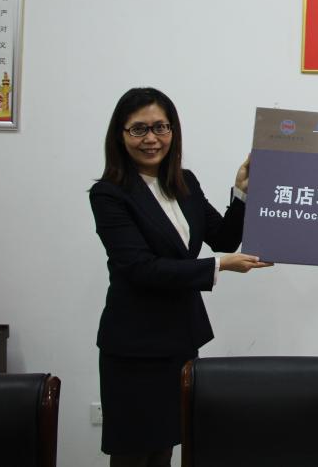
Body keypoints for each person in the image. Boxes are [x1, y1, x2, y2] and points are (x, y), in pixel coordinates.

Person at [89, 87, 272, 467]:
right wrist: (219, 266)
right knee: (133, 452)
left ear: (173, 130)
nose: (151, 138)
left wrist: (242, 193)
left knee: (166, 447)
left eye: (161, 127)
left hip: (178, 338)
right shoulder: (109, 194)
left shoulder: (184, 182)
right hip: (133, 347)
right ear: (120, 135)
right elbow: (139, 268)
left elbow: (222, 237)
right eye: (138, 129)